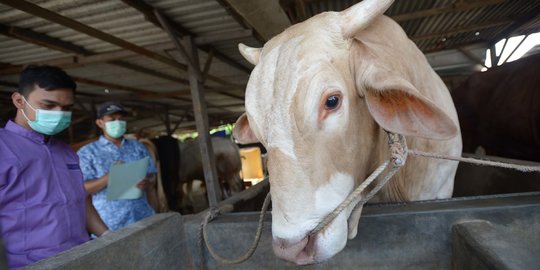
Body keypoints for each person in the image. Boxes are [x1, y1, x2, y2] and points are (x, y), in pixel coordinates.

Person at [0, 65, 108, 269]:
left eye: (66, 108)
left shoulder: (65, 151)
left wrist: (109, 237)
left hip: (82, 257)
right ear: (18, 101)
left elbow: (81, 201)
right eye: (48, 105)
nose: (59, 114)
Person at [77, 102, 158, 232]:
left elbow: (151, 177)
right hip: (109, 225)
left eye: (121, 119)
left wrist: (146, 182)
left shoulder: (138, 147)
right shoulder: (87, 153)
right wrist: (109, 177)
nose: (118, 122)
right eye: (112, 119)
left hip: (143, 217)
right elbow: (82, 189)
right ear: (100, 123)